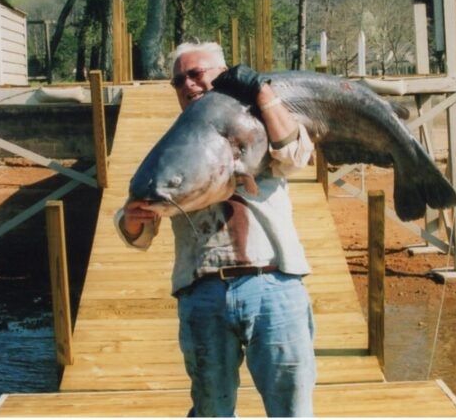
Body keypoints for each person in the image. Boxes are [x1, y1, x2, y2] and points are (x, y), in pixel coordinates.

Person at [114, 41, 317, 417]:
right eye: (178, 81)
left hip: (274, 284)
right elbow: (137, 226)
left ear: (222, 75)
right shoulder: (172, 146)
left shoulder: (263, 121)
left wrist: (262, 90)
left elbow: (295, 156)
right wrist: (131, 219)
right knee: (211, 410)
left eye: (196, 74)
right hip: (203, 289)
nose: (187, 85)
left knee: (293, 408)